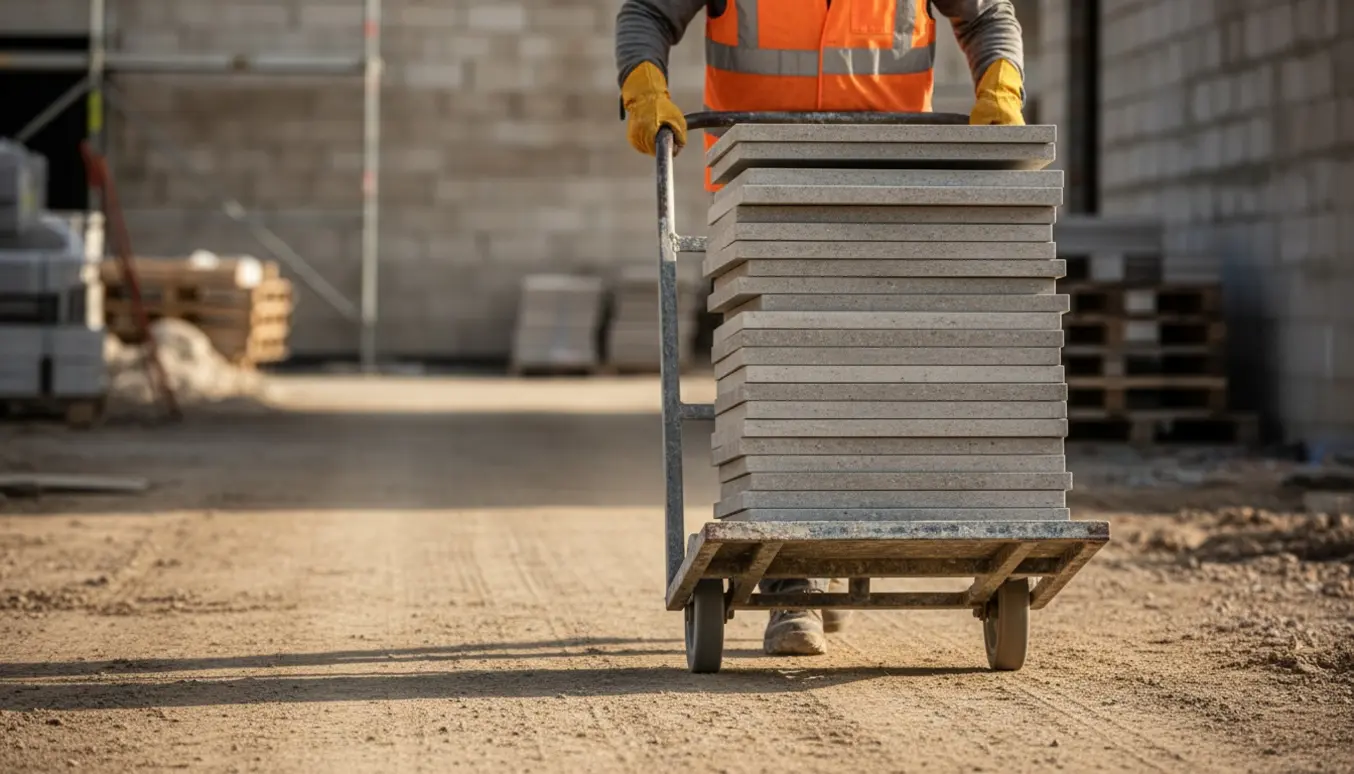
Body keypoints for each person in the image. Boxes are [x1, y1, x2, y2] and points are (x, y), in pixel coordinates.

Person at [614, 0, 1029, 657]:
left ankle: (840, 545)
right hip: (761, 180)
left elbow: (988, 16)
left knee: (874, 382)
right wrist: (643, 86)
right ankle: (791, 582)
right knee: (777, 385)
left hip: (889, 183)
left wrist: (1000, 85)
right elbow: (646, 14)